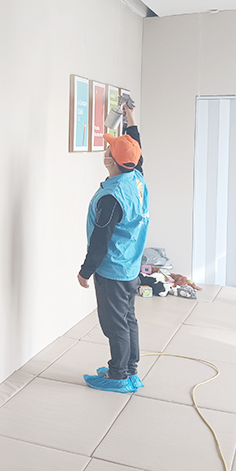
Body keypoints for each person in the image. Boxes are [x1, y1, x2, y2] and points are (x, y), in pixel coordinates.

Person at [77, 105, 149, 393]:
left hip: (113, 269)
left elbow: (100, 240)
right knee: (128, 320)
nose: (106, 151)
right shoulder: (136, 177)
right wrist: (131, 118)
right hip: (130, 266)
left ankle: (118, 376)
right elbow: (136, 149)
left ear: (111, 160)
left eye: (109, 149)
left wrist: (85, 271)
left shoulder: (112, 197)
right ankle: (130, 371)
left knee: (114, 324)